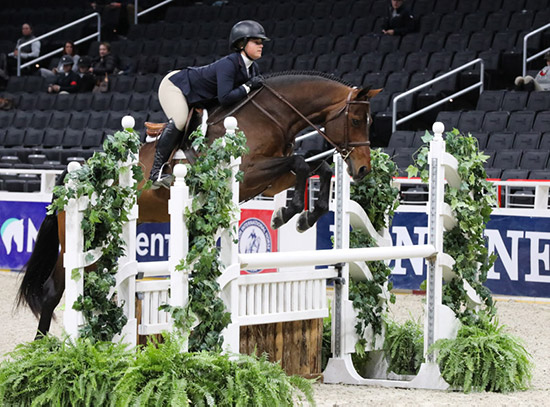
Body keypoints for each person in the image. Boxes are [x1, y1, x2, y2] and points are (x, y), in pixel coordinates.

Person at [148, 20, 269, 189]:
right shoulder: (229, 64)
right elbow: (226, 97)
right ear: (241, 44)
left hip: (201, 96)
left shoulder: (252, 68)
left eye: (261, 43)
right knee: (181, 120)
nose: (261, 46)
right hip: (176, 86)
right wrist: (248, 86)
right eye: (256, 42)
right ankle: (155, 173)